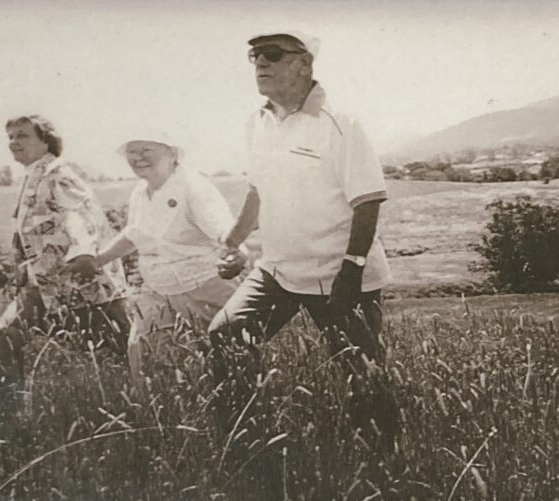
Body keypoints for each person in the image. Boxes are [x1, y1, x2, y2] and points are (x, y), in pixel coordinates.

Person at [209, 30, 399, 447]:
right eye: (254, 54)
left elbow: (367, 201)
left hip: (338, 272)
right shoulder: (257, 121)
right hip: (276, 270)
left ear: (304, 64)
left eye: (272, 54)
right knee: (225, 337)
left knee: (363, 371)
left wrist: (352, 268)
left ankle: (385, 463)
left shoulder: (341, 123)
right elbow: (258, 190)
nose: (260, 62)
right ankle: (246, 442)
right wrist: (233, 241)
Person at [67, 131, 241, 379]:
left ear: (172, 152)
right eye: (132, 151)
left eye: (146, 150)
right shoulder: (140, 191)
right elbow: (135, 233)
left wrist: (237, 251)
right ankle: (158, 413)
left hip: (202, 284)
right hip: (158, 287)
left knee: (224, 359)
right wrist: (97, 261)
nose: (137, 157)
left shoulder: (194, 187)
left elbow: (223, 228)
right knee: (143, 351)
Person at [0, 114, 129, 408]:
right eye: (11, 137)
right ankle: (12, 412)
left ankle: (136, 413)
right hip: (45, 283)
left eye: (23, 135)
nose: (14, 142)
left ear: (46, 140)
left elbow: (80, 216)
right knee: (5, 333)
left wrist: (83, 252)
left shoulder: (58, 173)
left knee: (117, 354)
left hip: (84, 282)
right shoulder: (32, 174)